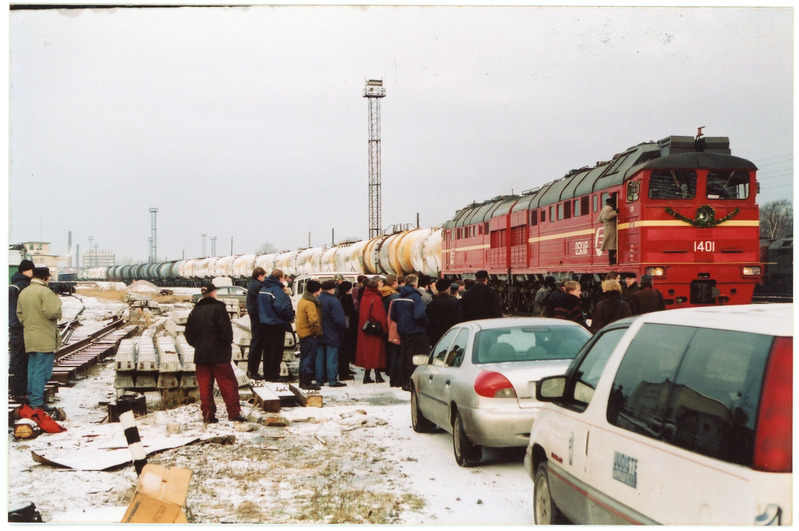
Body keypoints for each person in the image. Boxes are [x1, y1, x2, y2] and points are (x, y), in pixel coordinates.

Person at [185, 283, 246, 423]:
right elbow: (227, 333)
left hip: (201, 355)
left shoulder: (195, 311)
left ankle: (207, 415)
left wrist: (198, 345)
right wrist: (224, 347)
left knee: (205, 387)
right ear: (213, 293)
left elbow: (188, 334)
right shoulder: (219, 309)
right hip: (219, 355)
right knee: (228, 384)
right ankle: (234, 413)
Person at [16, 266, 61, 414]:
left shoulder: (24, 292)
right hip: (44, 338)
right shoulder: (45, 292)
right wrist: (58, 304)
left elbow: (20, 314)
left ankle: (31, 399)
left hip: (29, 336)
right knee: (42, 372)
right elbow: (52, 312)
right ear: (45, 278)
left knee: (33, 370)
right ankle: (37, 402)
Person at [390, 274, 429, 391]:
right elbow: (419, 315)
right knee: (414, 357)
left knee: (404, 355)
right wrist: (425, 323)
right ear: (415, 284)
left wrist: (402, 322)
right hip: (415, 330)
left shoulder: (397, 297)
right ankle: (410, 380)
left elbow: (393, 315)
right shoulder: (415, 297)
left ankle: (402, 380)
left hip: (402, 330)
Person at [258, 269, 295, 382]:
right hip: (276, 324)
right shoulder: (277, 291)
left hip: (264, 323)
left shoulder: (264, 289)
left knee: (268, 350)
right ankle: (274, 375)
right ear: (280, 278)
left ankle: (268, 373)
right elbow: (282, 308)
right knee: (276, 351)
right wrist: (291, 316)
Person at [9, 259, 34, 400]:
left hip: (13, 327)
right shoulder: (24, 286)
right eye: (32, 270)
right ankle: (20, 392)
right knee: (23, 360)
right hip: (22, 327)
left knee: (15, 359)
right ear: (27, 270)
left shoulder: (11, 285)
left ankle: (13, 388)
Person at [357, 277, 388, 384]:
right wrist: (385, 328)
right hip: (375, 330)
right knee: (376, 353)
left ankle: (367, 375)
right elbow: (380, 315)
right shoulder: (377, 298)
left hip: (365, 329)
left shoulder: (364, 297)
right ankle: (378, 376)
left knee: (368, 353)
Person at [316, 280, 347, 388]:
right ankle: (332, 380)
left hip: (319, 332)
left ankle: (319, 379)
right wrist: (343, 329)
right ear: (332, 289)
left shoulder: (317, 300)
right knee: (332, 357)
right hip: (332, 333)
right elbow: (339, 320)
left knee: (319, 357)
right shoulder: (334, 301)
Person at [296, 279, 323, 390]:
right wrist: (316, 332)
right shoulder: (311, 303)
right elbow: (313, 320)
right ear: (316, 290)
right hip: (309, 334)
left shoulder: (303, 300)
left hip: (302, 332)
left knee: (303, 357)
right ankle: (307, 382)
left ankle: (303, 381)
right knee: (309, 358)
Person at [426, 278, 465, 346]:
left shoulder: (431, 304)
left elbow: (429, 322)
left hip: (437, 337)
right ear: (448, 288)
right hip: (452, 334)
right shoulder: (455, 302)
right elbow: (459, 319)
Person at [246, 267, 267, 380]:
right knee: (257, 344)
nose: (265, 278)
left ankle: (252, 370)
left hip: (255, 317)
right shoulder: (258, 286)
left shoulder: (253, 284)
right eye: (264, 276)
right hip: (258, 318)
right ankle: (253, 371)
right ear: (260, 276)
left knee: (256, 343)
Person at [381, 274, 401, 387]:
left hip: (385, 325)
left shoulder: (382, 293)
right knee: (395, 353)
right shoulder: (393, 296)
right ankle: (394, 375)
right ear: (394, 283)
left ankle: (388, 370)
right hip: (392, 326)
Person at [337, 281, 357, 381]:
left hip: (344, 327)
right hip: (347, 327)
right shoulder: (346, 299)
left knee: (344, 350)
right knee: (345, 351)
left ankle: (345, 370)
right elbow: (351, 311)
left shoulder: (340, 297)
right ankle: (343, 372)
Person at [599, 197, 618, 265]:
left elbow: (599, 220)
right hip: (611, 228)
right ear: (611, 204)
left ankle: (611, 260)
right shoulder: (609, 208)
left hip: (607, 227)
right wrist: (615, 212)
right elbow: (608, 216)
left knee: (610, 245)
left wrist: (605, 222)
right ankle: (612, 260)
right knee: (612, 245)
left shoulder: (603, 209)